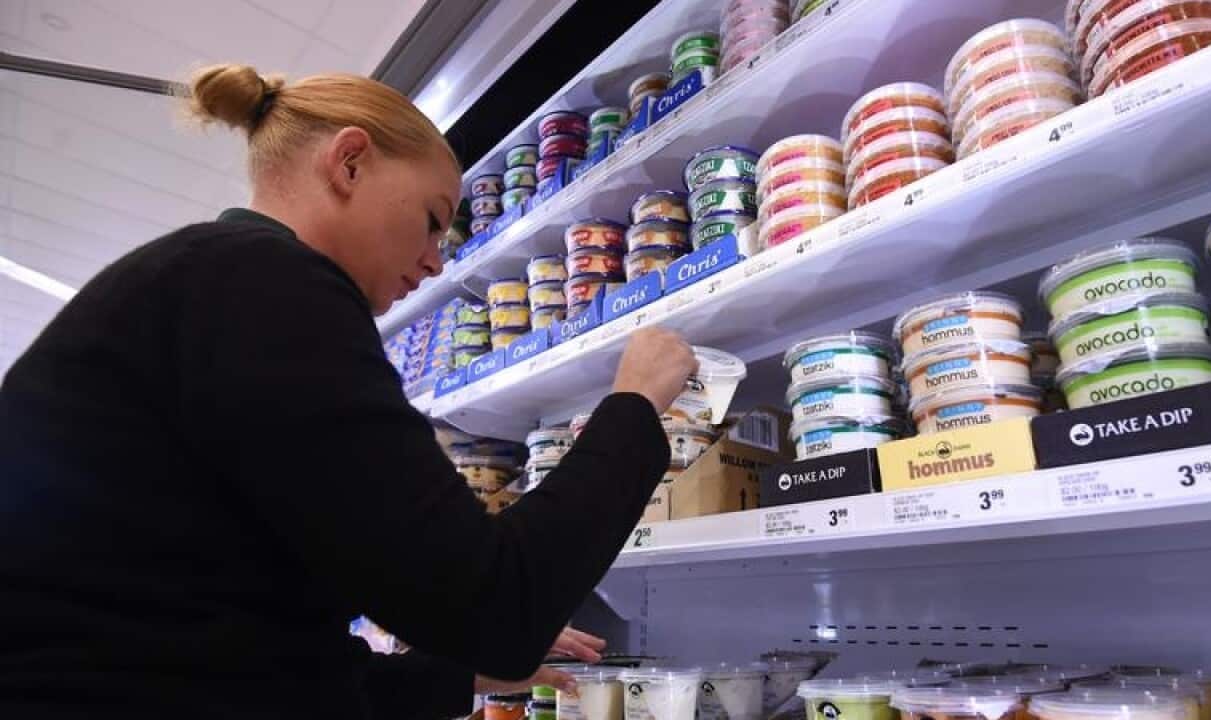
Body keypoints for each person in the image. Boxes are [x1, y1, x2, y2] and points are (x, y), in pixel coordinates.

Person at [0, 64, 698, 718]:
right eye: (431, 218)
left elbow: (263, 653)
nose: (434, 260)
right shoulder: (266, 286)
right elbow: (498, 606)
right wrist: (633, 407)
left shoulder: (199, 282)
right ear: (350, 161)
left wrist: (468, 676)